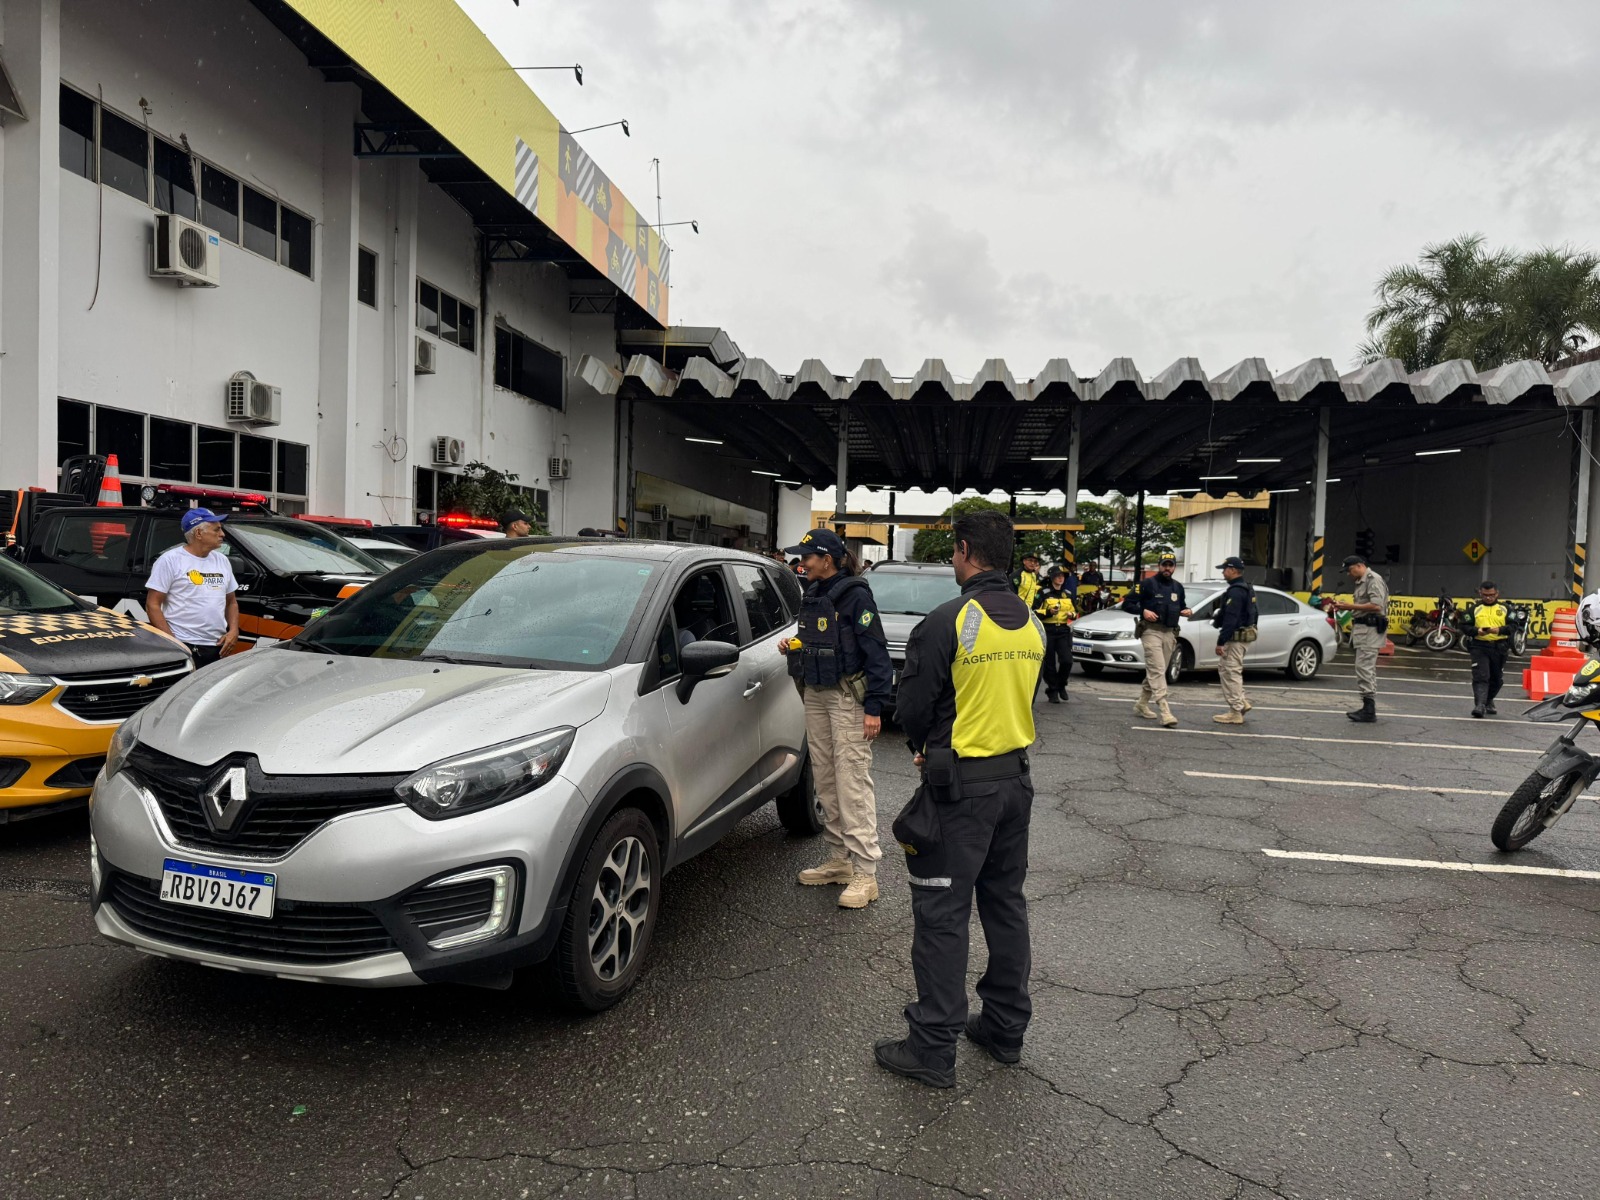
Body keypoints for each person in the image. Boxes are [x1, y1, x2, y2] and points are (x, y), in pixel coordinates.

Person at [875, 508, 1046, 1088]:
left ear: (966, 551)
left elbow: (912, 707)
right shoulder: (1033, 622)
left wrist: (927, 748)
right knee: (1004, 904)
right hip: (1015, 783)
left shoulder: (947, 620)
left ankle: (932, 1046)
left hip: (961, 792)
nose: (953, 558)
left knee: (942, 914)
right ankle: (1004, 1028)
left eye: (953, 550)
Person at [781, 528, 894, 909]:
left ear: (827, 560)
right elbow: (818, 639)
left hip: (846, 698)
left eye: (807, 557)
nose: (801, 563)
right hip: (816, 692)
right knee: (826, 779)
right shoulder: (814, 592)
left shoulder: (856, 595)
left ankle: (866, 873)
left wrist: (875, 707)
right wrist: (793, 646)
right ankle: (839, 860)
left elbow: (876, 652)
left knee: (851, 782)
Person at [145, 508, 239, 667]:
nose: (222, 534)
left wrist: (234, 631)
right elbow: (152, 604)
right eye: (216, 529)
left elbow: (231, 602)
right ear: (199, 533)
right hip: (185, 644)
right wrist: (173, 642)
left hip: (217, 646)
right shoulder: (170, 560)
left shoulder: (222, 560)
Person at [1121, 553, 1190, 727]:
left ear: (1174, 567)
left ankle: (1142, 704)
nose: (1167, 568)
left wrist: (1187, 611)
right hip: (1151, 631)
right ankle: (1165, 711)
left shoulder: (1178, 587)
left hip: (1169, 633)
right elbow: (1127, 604)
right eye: (1164, 564)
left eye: (1170, 565)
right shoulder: (1146, 584)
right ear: (1159, 565)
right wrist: (1142, 611)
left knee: (1157, 670)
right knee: (1158, 670)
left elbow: (1181, 606)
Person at [1325, 554, 1389, 722]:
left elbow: (1376, 605)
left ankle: (1369, 710)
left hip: (1370, 631)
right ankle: (1368, 707)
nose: (1348, 574)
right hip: (1363, 630)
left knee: (1364, 668)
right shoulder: (1362, 581)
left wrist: (1349, 606)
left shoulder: (1372, 579)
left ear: (1359, 565)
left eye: (1349, 570)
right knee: (1365, 668)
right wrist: (1344, 607)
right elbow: (1364, 607)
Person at [1210, 556, 1258, 725]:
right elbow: (1255, 614)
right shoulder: (1247, 588)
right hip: (1244, 636)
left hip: (1235, 638)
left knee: (1230, 672)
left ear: (1232, 570)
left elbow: (1231, 618)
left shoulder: (1236, 591)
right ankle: (1241, 702)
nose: (1223, 572)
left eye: (1224, 569)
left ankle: (1236, 711)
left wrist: (1221, 641)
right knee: (1231, 670)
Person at [1465, 580, 1510, 717]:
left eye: (1491, 595)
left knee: (1497, 679)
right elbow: (1464, 625)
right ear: (1480, 593)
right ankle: (1480, 705)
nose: (1488, 598)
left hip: (1499, 647)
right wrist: (1476, 631)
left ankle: (1488, 700)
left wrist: (1500, 630)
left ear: (1497, 594)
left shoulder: (1505, 609)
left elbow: (1514, 626)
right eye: (1485, 595)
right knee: (1481, 676)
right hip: (1479, 646)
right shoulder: (1474, 609)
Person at [1033, 567, 1076, 703]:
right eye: (1058, 576)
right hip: (1048, 630)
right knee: (1049, 663)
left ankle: (1061, 685)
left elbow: (1075, 612)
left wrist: (1072, 615)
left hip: (1063, 630)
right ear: (1052, 578)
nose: (1060, 578)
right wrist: (1048, 612)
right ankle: (1052, 690)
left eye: (1063, 576)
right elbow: (1034, 611)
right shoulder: (1043, 592)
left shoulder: (1068, 594)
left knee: (1067, 661)